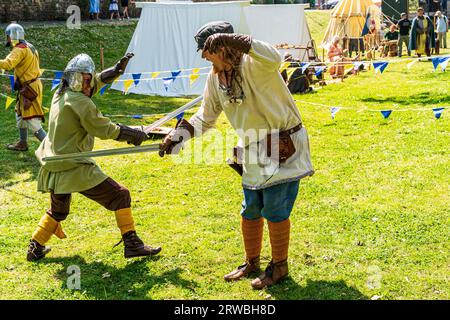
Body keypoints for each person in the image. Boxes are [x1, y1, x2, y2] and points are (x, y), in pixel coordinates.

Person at [159, 21, 314, 289]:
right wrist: (178, 136)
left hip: (283, 145)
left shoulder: (258, 62)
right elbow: (205, 117)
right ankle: (251, 261)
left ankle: (279, 267)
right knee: (251, 208)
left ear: (224, 47)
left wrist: (235, 39)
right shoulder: (215, 77)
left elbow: (274, 56)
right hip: (253, 150)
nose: (204, 57)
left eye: (208, 50)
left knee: (275, 208)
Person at [27, 53, 161, 262]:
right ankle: (132, 244)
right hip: (73, 165)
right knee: (120, 195)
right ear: (76, 78)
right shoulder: (80, 102)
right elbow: (104, 129)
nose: (90, 84)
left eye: (90, 79)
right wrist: (133, 134)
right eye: (86, 80)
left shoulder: (61, 93)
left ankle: (35, 247)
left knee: (59, 210)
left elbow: (97, 81)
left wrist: (115, 70)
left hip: (53, 161)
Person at [0, 23, 46, 152]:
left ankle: (52, 148)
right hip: (28, 87)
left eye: (8, 36)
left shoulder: (19, 49)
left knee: (32, 121)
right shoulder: (30, 47)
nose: (7, 39)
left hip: (29, 88)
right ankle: (22, 143)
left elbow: (8, 64)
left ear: (12, 36)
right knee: (20, 117)